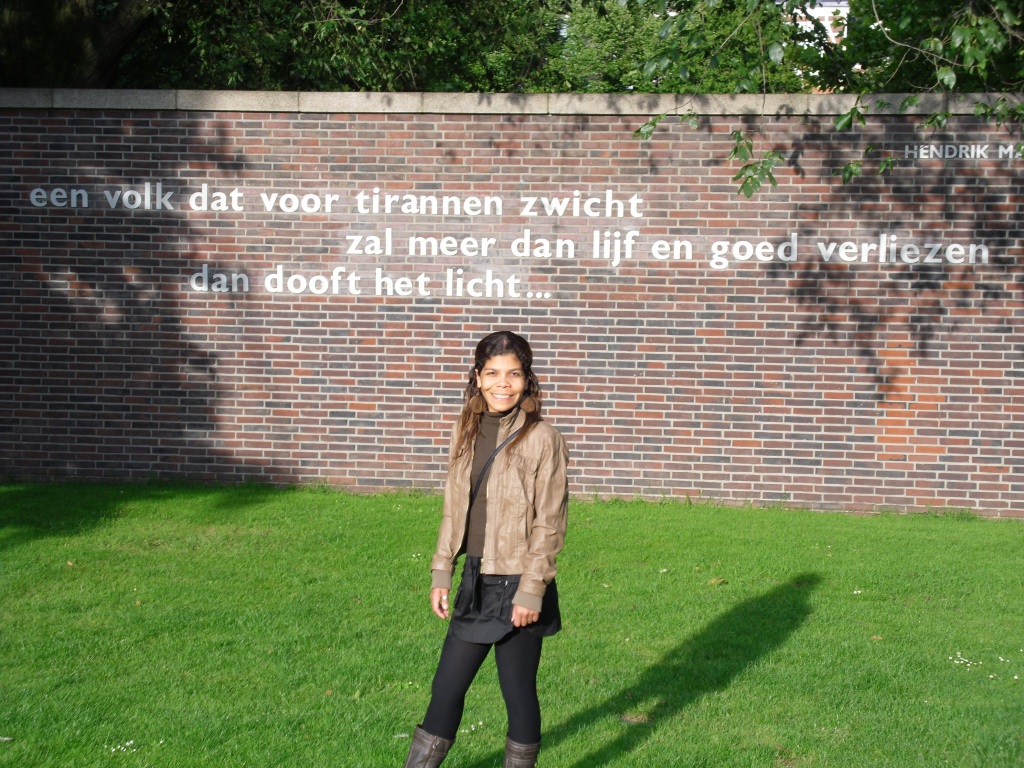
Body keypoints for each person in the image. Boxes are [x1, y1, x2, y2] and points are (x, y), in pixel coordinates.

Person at [403, 330, 569, 768]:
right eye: (493, 373)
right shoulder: (466, 429)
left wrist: (532, 589)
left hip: (519, 582)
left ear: (526, 379)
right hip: (476, 578)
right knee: (446, 688)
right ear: (477, 377)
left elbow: (549, 522)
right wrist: (442, 570)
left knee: (518, 693)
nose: (503, 383)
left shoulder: (543, 438)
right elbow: (453, 506)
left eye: (513, 374)